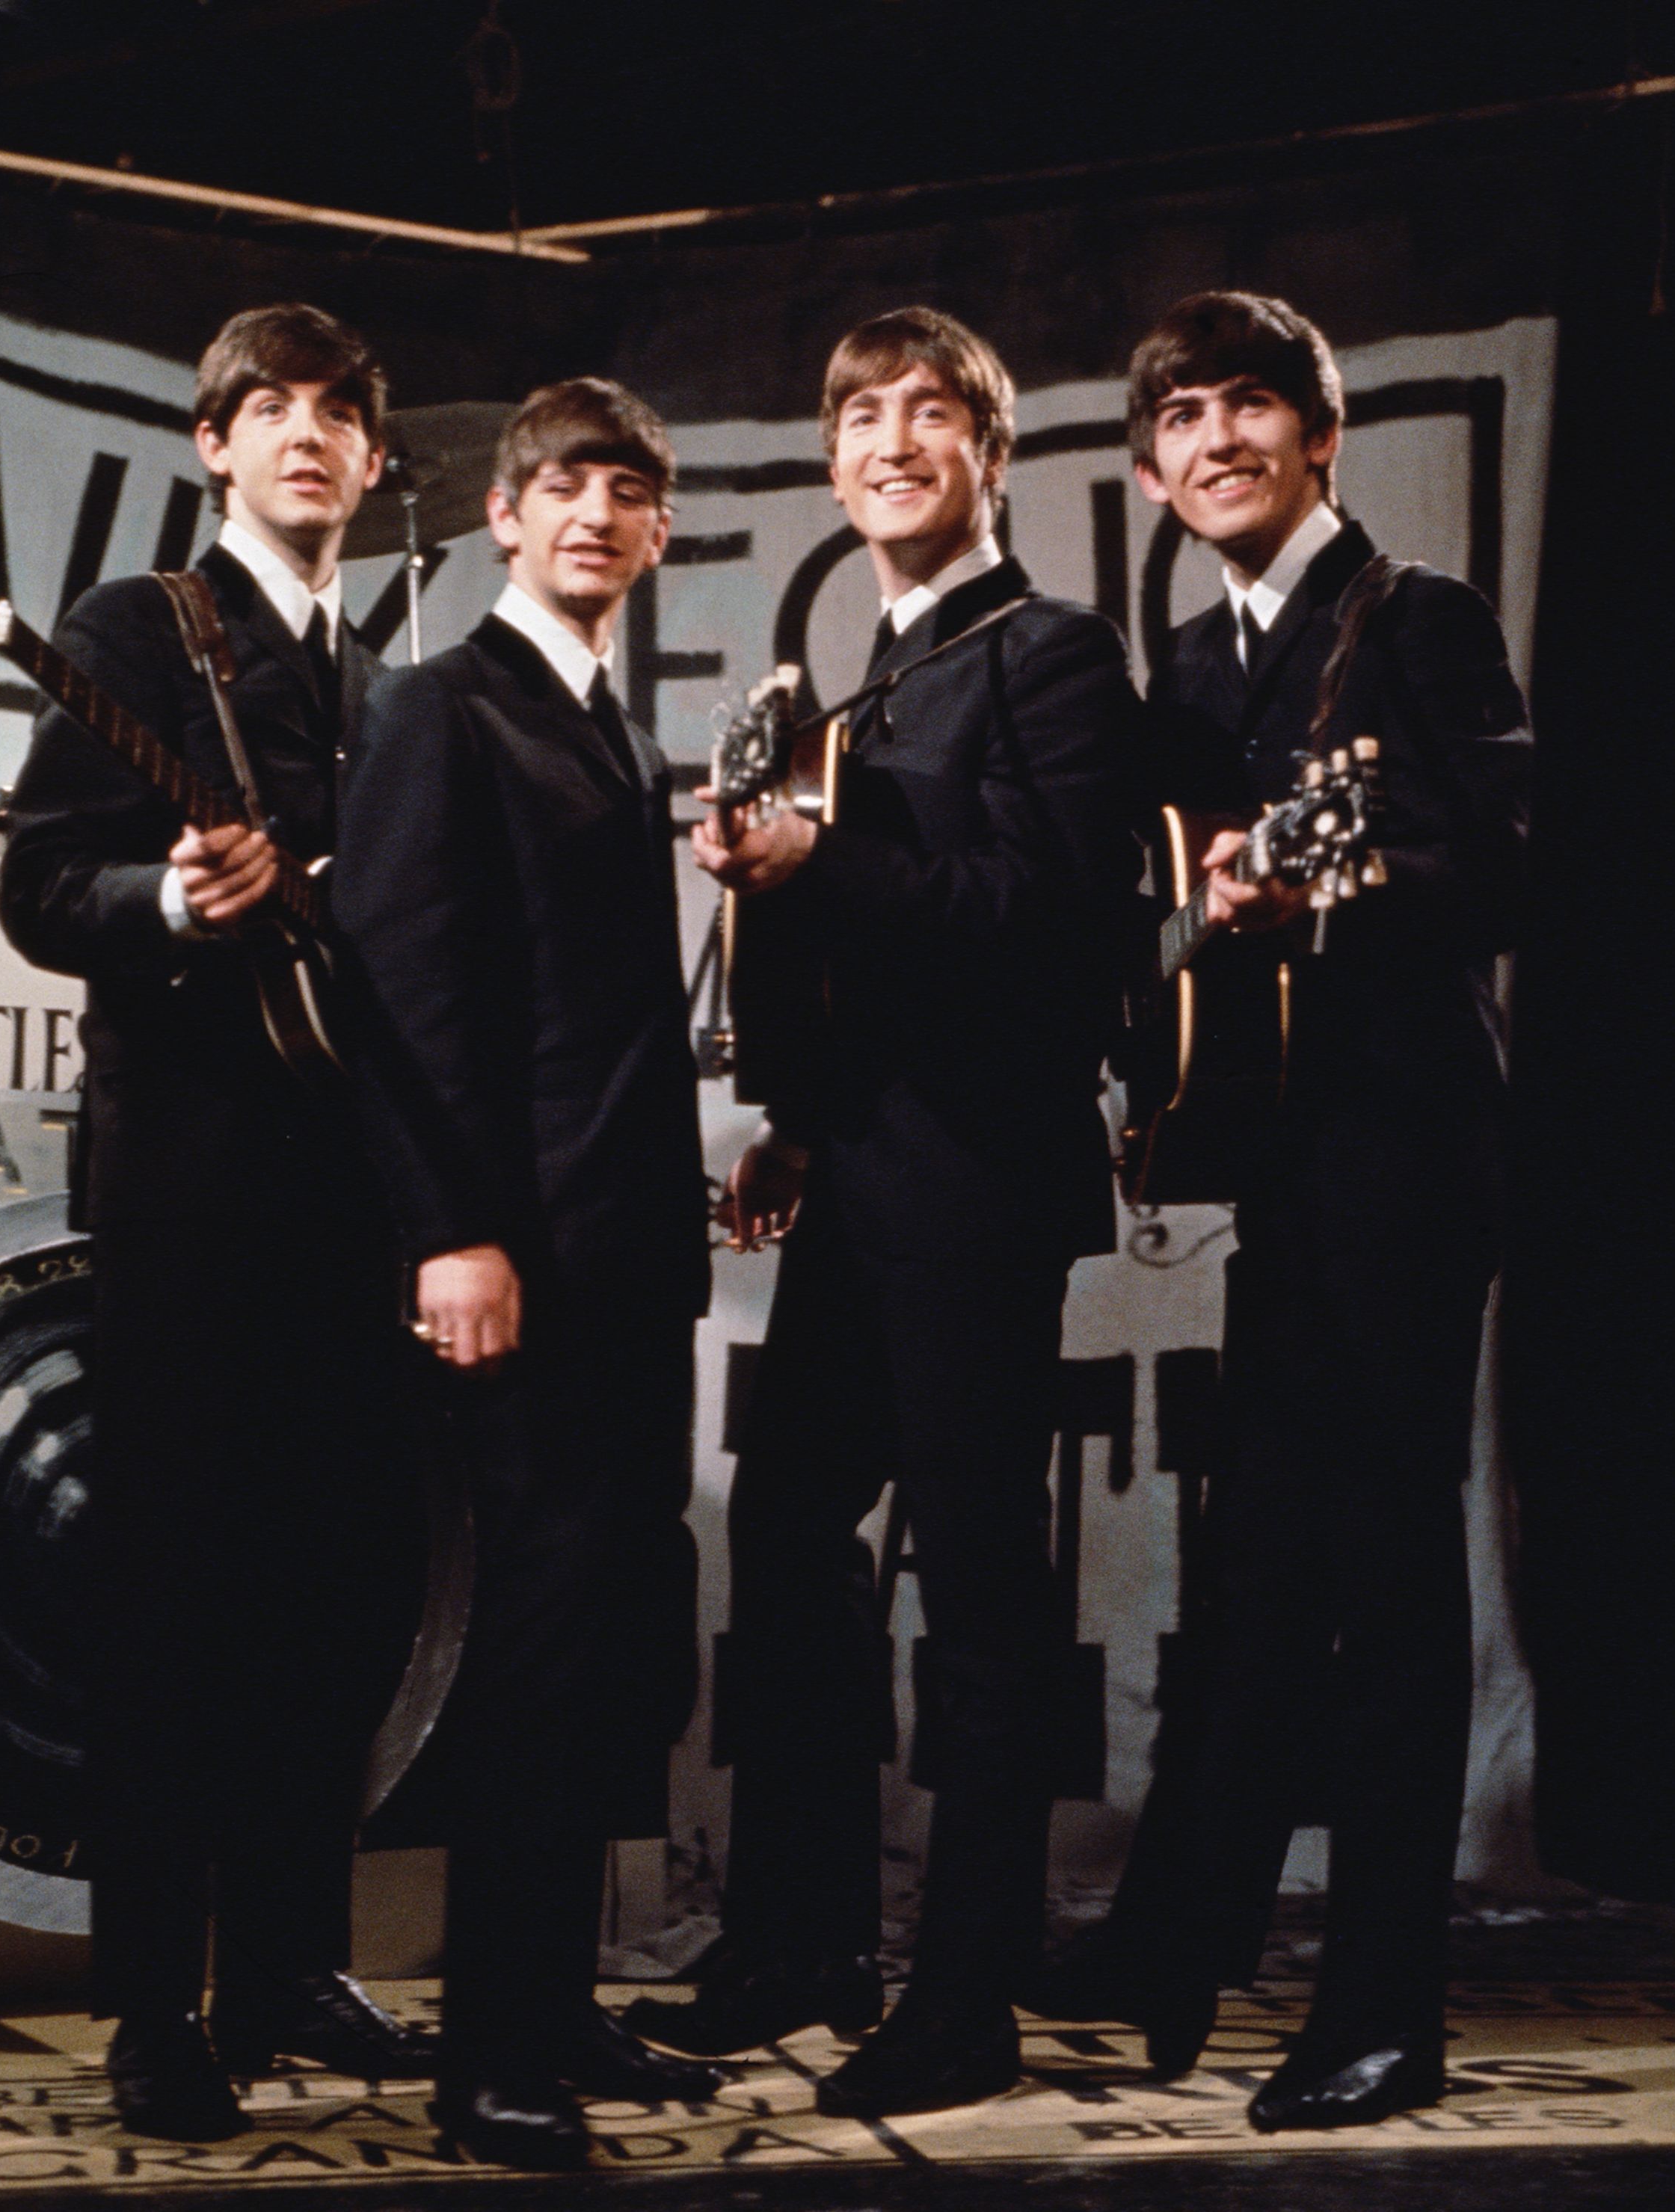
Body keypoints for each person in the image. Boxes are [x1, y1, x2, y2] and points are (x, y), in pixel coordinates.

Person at [1024, 289, 1533, 2132]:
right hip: (1282, 1164)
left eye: (1254, 405)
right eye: (1183, 416)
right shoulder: (1198, 661)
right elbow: (1160, 923)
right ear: (1150, 469)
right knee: (1256, 1565)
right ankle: (1182, 1933)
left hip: (1403, 1153)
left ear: (1321, 437)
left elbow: (1506, 856)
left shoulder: (1416, 620)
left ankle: (1387, 2008)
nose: (1218, 437)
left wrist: (1334, 889)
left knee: (1385, 1583)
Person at [642, 307, 1141, 2119]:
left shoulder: (1055, 657)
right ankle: (796, 1940)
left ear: (989, 458)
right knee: (781, 1546)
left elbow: (1066, 920)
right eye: (861, 414)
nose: (891, 439)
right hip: (856, 1176)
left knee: (981, 1600)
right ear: (834, 462)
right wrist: (783, 1112)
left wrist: (816, 855)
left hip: (981, 1186)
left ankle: (968, 1994)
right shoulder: (861, 691)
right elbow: (850, 948)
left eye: (933, 414)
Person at [0, 303, 433, 2140]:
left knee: (339, 1598)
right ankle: (153, 2008)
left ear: (377, 458)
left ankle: (284, 1961)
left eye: (341, 413)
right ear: (214, 444)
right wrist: (166, 897)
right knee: (173, 1602)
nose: (309, 436)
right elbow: (37, 885)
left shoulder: (388, 677)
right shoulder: (134, 633)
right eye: (274, 410)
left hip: (356, 1193)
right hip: (192, 1193)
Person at [332, 379, 725, 2171]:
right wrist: (447, 1228)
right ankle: (490, 2054)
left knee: (615, 1646)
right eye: (562, 484)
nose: (593, 512)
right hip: (516, 1262)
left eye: (626, 491)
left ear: (656, 534)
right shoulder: (441, 705)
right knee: (535, 1654)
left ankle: (555, 2001)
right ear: (502, 516)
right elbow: (400, 1000)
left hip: (633, 1267)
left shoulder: (618, 735)